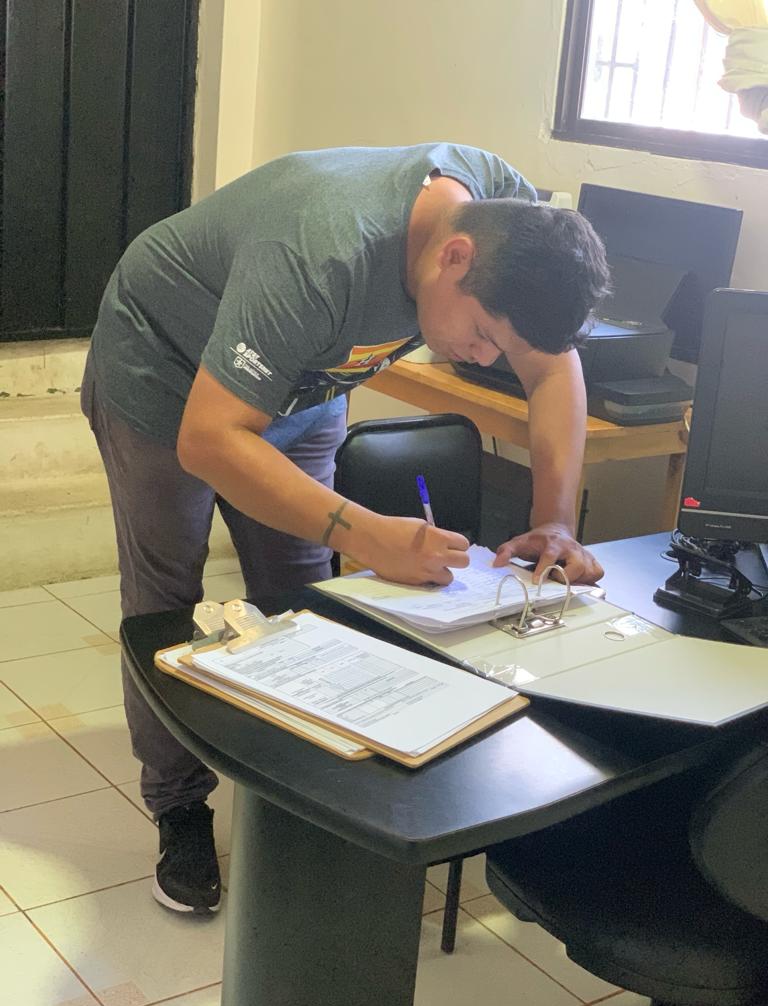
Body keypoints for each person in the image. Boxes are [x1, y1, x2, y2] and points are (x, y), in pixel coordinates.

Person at [82, 142, 611, 914]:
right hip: (164, 377)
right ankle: (178, 804)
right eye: (482, 335)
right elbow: (210, 439)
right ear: (453, 256)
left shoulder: (511, 221)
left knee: (307, 601)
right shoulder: (320, 250)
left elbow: (552, 366)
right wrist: (365, 534)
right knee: (168, 602)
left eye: (498, 349)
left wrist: (555, 520)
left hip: (305, 387)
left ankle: (304, 794)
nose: (483, 358)